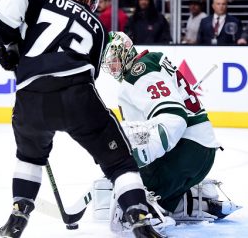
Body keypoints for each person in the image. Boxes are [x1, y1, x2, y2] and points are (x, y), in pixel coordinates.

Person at [0, 0, 164, 238]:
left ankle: (19, 211)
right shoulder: (97, 27)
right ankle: (137, 215)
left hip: (30, 98)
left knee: (29, 157)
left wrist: (10, 43)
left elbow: (6, 3)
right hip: (77, 96)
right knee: (119, 163)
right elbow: (90, 74)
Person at [101, 31, 241, 229]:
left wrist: (137, 159)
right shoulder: (152, 61)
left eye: (114, 59)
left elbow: (173, 119)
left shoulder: (139, 73)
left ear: (125, 51)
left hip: (185, 152)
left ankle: (150, 210)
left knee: (126, 192)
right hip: (200, 153)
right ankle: (194, 200)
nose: (112, 67)